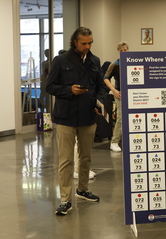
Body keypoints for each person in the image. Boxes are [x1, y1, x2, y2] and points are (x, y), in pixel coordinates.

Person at [46, 27, 107, 215]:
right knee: (66, 160)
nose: (87, 46)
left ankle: (83, 189)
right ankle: (65, 199)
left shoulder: (94, 61)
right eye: (84, 43)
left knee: (86, 157)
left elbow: (100, 87)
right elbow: (50, 86)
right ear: (75, 42)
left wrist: (100, 102)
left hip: (88, 117)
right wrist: (69, 90)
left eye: (90, 43)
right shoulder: (60, 61)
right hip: (66, 118)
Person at [104, 42, 129, 152]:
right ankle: (114, 142)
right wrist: (113, 90)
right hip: (120, 93)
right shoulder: (114, 64)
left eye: (125, 50)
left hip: (133, 94)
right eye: (121, 50)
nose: (123, 52)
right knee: (120, 117)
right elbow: (106, 78)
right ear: (118, 51)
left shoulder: (133, 62)